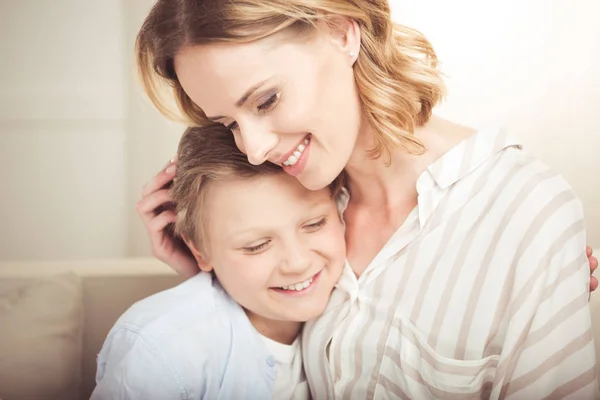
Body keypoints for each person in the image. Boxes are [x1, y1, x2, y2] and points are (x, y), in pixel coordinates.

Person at [135, 0, 600, 397]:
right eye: (229, 124)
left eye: (266, 101)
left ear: (341, 32)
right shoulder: (301, 208)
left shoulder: (524, 213)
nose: (254, 149)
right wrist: (220, 280)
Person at [91, 124, 347, 399]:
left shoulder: (355, 305)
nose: (296, 262)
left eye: (314, 224)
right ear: (199, 250)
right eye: (256, 246)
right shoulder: (162, 352)